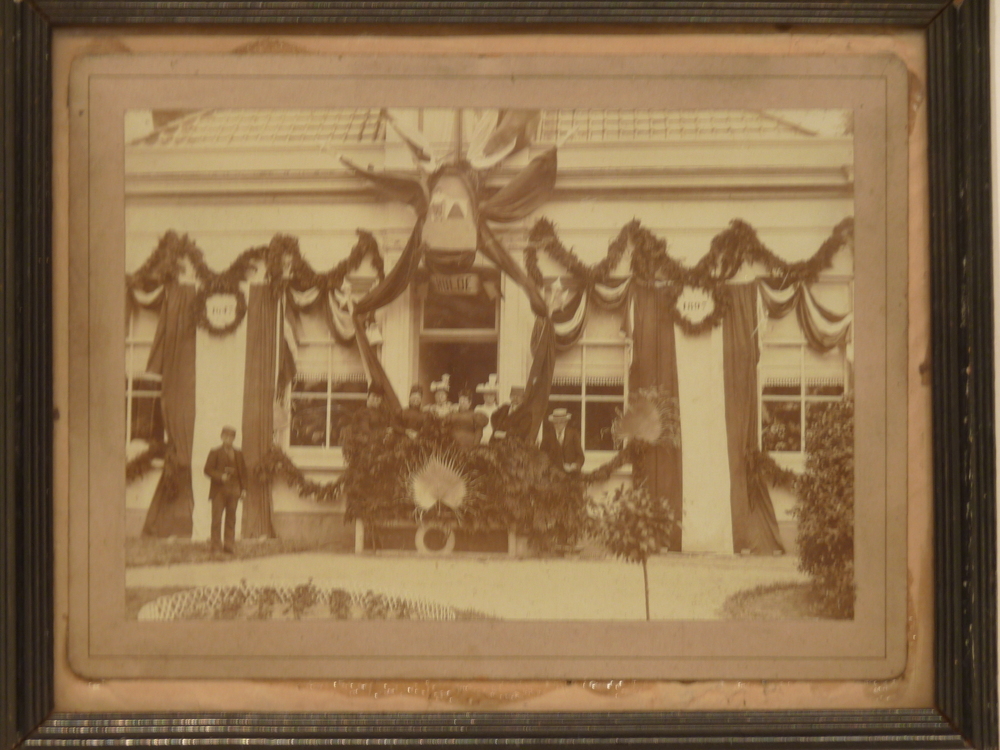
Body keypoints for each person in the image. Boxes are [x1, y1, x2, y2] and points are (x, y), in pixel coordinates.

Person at [203, 426, 248, 554]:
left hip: (234, 490)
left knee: (231, 518)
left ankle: (229, 545)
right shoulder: (215, 452)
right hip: (218, 491)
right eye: (226, 436)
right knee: (216, 519)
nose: (228, 439)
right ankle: (216, 546)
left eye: (231, 437)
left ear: (234, 438)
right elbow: (207, 470)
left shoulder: (238, 453)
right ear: (222, 437)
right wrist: (220, 476)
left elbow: (243, 473)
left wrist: (244, 489)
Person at [540, 407, 585, 474]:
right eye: (556, 422)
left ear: (566, 422)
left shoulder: (573, 435)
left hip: (571, 474)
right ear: (553, 423)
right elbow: (542, 456)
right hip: (553, 475)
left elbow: (580, 456)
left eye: (561, 422)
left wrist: (575, 465)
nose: (558, 425)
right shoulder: (547, 437)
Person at [475, 374, 501, 444]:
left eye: (491, 395)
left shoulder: (499, 409)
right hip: (480, 437)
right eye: (486, 395)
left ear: (494, 396)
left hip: (494, 438)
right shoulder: (479, 408)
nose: (488, 398)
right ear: (483, 396)